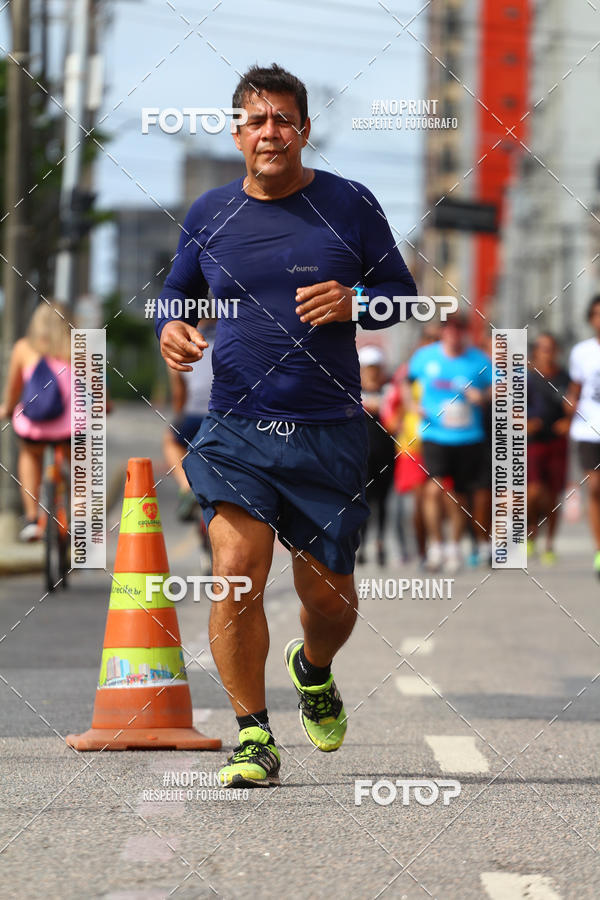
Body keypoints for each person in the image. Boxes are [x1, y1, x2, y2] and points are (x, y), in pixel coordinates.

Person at [156, 63, 417, 787]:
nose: (270, 131)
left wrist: (358, 301)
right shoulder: (210, 213)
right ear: (237, 131)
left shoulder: (350, 204)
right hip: (236, 425)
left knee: (328, 600)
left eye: (283, 120)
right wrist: (171, 327)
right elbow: (175, 293)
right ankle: (252, 736)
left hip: (329, 426)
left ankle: (314, 668)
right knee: (235, 575)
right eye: (256, 119)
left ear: (304, 129)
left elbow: (404, 297)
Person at [406, 312, 492, 573]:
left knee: (459, 494)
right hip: (435, 433)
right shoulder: (425, 357)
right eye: (448, 329)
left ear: (464, 332)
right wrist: (413, 404)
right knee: (433, 489)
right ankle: (436, 545)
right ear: (442, 331)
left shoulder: (478, 359)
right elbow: (406, 383)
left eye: (458, 329)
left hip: (468, 435)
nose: (453, 333)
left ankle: (454, 546)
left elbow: (500, 386)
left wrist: (483, 396)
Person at [0, 301, 71, 541]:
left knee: (29, 455)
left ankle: (32, 519)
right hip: (71, 429)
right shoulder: (81, 347)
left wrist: (7, 409)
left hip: (34, 428)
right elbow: (99, 394)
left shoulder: (23, 348)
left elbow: (13, 392)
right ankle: (83, 521)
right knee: (83, 468)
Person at [382, 323, 440, 565]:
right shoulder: (408, 371)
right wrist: (397, 424)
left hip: (443, 440)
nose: (434, 343)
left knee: (440, 499)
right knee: (415, 502)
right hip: (413, 445)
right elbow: (390, 406)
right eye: (429, 339)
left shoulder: (446, 367)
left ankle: (441, 546)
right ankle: (420, 551)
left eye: (438, 339)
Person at [163, 319, 215, 522]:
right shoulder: (234, 336)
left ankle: (186, 488)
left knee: (170, 441)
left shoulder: (183, 342)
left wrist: (179, 417)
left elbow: (179, 393)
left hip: (193, 415)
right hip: (225, 415)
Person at [527, 333, 570, 564]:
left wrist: (569, 421)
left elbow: (575, 402)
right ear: (536, 351)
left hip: (557, 441)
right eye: (543, 348)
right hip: (534, 442)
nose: (547, 353)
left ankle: (549, 544)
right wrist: (524, 423)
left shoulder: (565, 377)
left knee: (553, 495)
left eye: (551, 348)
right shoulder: (527, 379)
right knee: (532, 492)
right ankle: (530, 528)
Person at [567, 295, 600, 577]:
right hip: (588, 429)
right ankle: (599, 551)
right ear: (591, 319)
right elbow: (575, 390)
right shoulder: (581, 352)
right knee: (596, 487)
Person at [357, 345, 396, 566]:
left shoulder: (390, 391)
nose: (372, 372)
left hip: (385, 454)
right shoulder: (350, 391)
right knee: (362, 500)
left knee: (382, 500)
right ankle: (361, 543)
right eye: (367, 368)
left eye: (375, 368)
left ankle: (380, 543)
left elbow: (397, 419)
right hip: (360, 456)